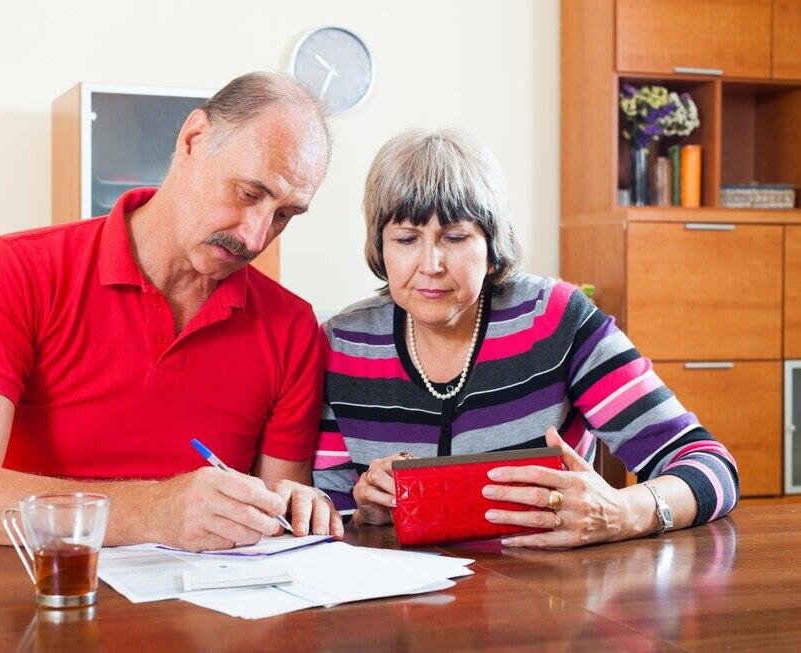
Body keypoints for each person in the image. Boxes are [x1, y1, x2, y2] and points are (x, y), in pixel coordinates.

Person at [0, 72, 343, 551]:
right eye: (248, 194)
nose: (254, 237)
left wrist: (290, 509)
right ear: (193, 139)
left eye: (285, 215)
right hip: (42, 602)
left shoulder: (291, 326)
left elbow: (274, 524)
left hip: (206, 612)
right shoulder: (20, 270)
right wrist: (155, 511)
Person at [313, 128, 738, 548]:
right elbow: (323, 512)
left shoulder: (553, 320)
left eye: (455, 237)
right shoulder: (344, 344)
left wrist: (624, 512)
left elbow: (710, 467)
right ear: (379, 247)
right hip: (401, 608)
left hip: (552, 598)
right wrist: (365, 514)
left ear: (491, 242)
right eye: (406, 239)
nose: (431, 264)